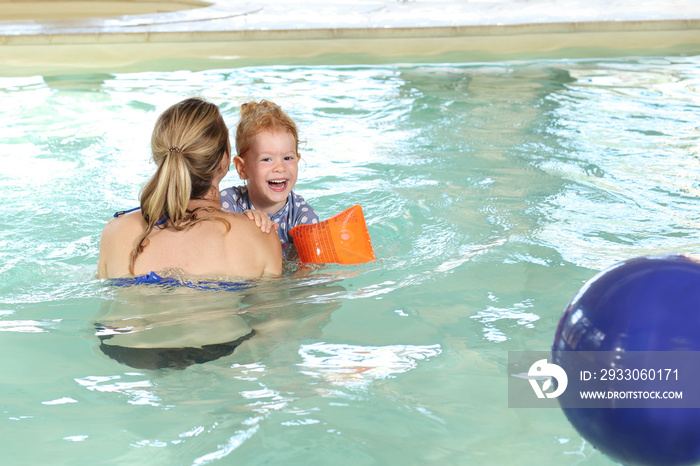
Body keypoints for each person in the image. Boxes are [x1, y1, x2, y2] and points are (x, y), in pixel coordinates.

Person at [97, 97, 282, 279]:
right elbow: (268, 307)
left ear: (159, 157)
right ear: (223, 160)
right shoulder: (260, 237)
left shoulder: (115, 232)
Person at [220, 100, 319, 245]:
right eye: (266, 159)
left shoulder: (303, 217)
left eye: (287, 158)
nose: (280, 167)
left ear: (297, 160)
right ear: (242, 168)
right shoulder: (228, 202)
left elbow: (311, 266)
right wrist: (242, 222)